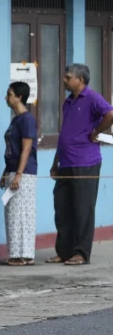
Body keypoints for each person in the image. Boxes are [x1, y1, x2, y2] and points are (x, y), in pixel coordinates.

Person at [47, 63, 113, 266]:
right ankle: (64, 251)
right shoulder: (68, 102)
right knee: (62, 207)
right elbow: (65, 132)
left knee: (83, 208)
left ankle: (81, 253)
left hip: (85, 162)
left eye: (68, 77)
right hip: (65, 162)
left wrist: (95, 133)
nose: (64, 80)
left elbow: (110, 114)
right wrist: (55, 161)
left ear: (80, 80)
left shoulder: (92, 98)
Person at [0, 82, 38, 266]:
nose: (6, 98)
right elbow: (12, 150)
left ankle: (20, 255)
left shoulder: (26, 119)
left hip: (24, 173)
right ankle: (22, 254)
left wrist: (19, 175)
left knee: (20, 214)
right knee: (13, 213)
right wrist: (6, 172)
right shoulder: (15, 120)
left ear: (19, 97)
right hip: (14, 170)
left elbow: (26, 148)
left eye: (9, 94)